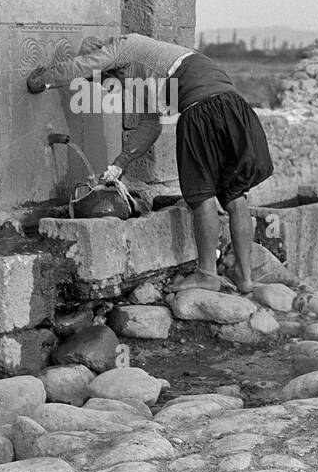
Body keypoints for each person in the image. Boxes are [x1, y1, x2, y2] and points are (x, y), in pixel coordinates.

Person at [26, 33, 274, 293]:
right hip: (233, 105)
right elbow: (150, 125)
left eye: (104, 75)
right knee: (234, 195)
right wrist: (119, 165)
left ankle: (207, 274)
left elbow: (81, 66)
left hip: (201, 109)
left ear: (105, 57)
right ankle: (245, 278)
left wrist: (42, 81)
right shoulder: (146, 69)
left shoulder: (123, 46)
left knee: (202, 196)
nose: (108, 83)